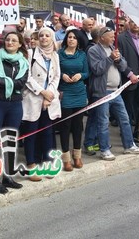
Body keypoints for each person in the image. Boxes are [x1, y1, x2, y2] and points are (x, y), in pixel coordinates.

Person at [87, 27, 139, 160]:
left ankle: (129, 145)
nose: (114, 38)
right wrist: (110, 59)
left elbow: (124, 66)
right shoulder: (93, 50)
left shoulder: (113, 48)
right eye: (111, 36)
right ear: (102, 37)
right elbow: (97, 69)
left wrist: (118, 60)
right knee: (103, 122)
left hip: (116, 91)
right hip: (102, 92)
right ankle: (104, 149)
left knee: (124, 119)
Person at [0, 31, 29, 194]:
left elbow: (21, 83)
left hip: (15, 105)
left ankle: (7, 175)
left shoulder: (23, 63)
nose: (10, 42)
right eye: (8, 40)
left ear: (19, 45)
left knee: (10, 140)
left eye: (14, 40)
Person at [21, 27, 61, 181]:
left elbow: (56, 77)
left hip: (48, 100)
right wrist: (42, 92)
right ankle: (31, 165)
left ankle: (48, 163)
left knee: (47, 133)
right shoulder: (30, 54)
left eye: (47, 35)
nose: (44, 38)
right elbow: (28, 77)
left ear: (52, 38)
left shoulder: (55, 56)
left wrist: (49, 94)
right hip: (33, 97)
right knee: (31, 134)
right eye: (41, 36)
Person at [57, 29, 89, 171]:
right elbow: (54, 72)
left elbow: (87, 72)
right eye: (69, 37)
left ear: (78, 41)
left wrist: (80, 76)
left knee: (78, 126)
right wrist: (62, 75)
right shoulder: (59, 55)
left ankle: (77, 156)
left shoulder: (82, 55)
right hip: (65, 93)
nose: (71, 39)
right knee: (65, 126)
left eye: (74, 38)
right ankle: (66, 159)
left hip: (79, 93)